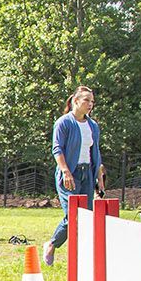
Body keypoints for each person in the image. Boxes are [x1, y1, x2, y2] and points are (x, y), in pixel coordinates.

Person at [45, 85, 105, 265]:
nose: (90, 104)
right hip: (69, 173)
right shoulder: (64, 122)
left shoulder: (93, 126)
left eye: (92, 101)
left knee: (86, 216)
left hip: (88, 173)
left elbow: (96, 151)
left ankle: (83, 256)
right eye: (86, 100)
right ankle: (52, 244)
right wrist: (65, 171)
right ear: (75, 101)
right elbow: (57, 149)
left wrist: (99, 177)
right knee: (72, 215)